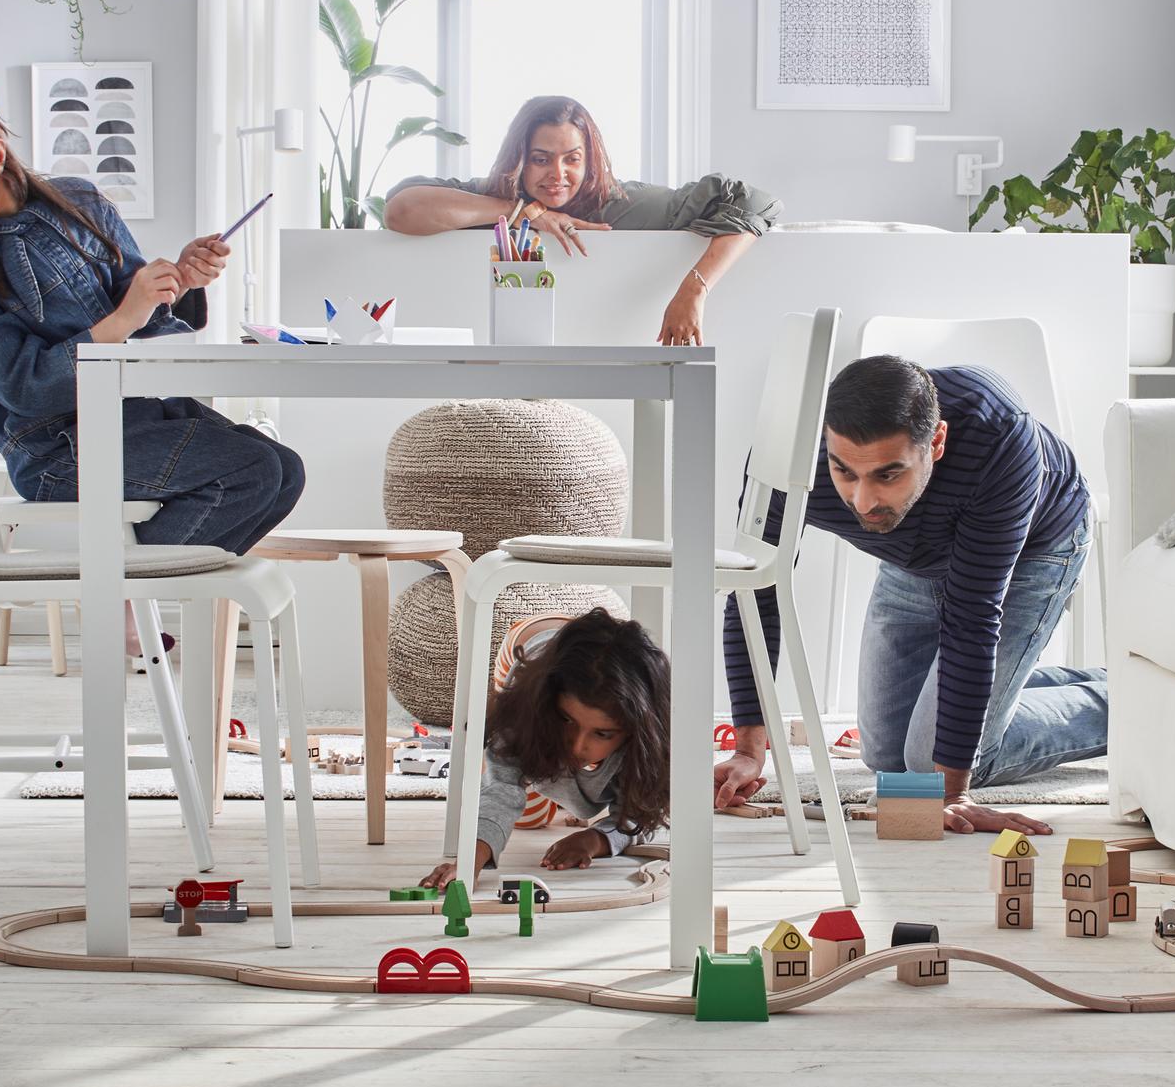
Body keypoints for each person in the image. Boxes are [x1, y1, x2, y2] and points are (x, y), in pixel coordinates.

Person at [0, 70, 306, 655]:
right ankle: (120, 594)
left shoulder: (80, 202)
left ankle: (123, 586)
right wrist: (122, 319)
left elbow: (148, 323)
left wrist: (178, 279)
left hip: (137, 421)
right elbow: (26, 389)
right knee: (252, 469)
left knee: (284, 469)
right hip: (60, 454)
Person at [714, 355, 1107, 837]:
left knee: (926, 768)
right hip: (913, 559)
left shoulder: (1001, 438)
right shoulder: (786, 453)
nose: (862, 502)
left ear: (935, 442)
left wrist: (952, 793)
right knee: (884, 757)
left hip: (1033, 550)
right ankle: (1024, 691)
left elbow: (972, 622)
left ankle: (1123, 702)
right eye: (844, 472)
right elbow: (756, 592)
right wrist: (749, 750)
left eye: (887, 475)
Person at [383, 95, 781, 345]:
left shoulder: (621, 203)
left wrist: (694, 290)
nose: (558, 174)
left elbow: (756, 203)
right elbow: (402, 209)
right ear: (519, 160)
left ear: (589, 158)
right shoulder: (493, 195)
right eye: (541, 159)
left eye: (572, 159)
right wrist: (523, 212)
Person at [419, 607, 670, 888]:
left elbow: (639, 820)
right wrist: (469, 862)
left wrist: (594, 840)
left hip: (592, 657)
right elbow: (501, 791)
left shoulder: (648, 738)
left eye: (602, 733)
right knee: (530, 815)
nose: (578, 746)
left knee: (560, 794)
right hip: (526, 649)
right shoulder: (529, 708)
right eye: (567, 720)